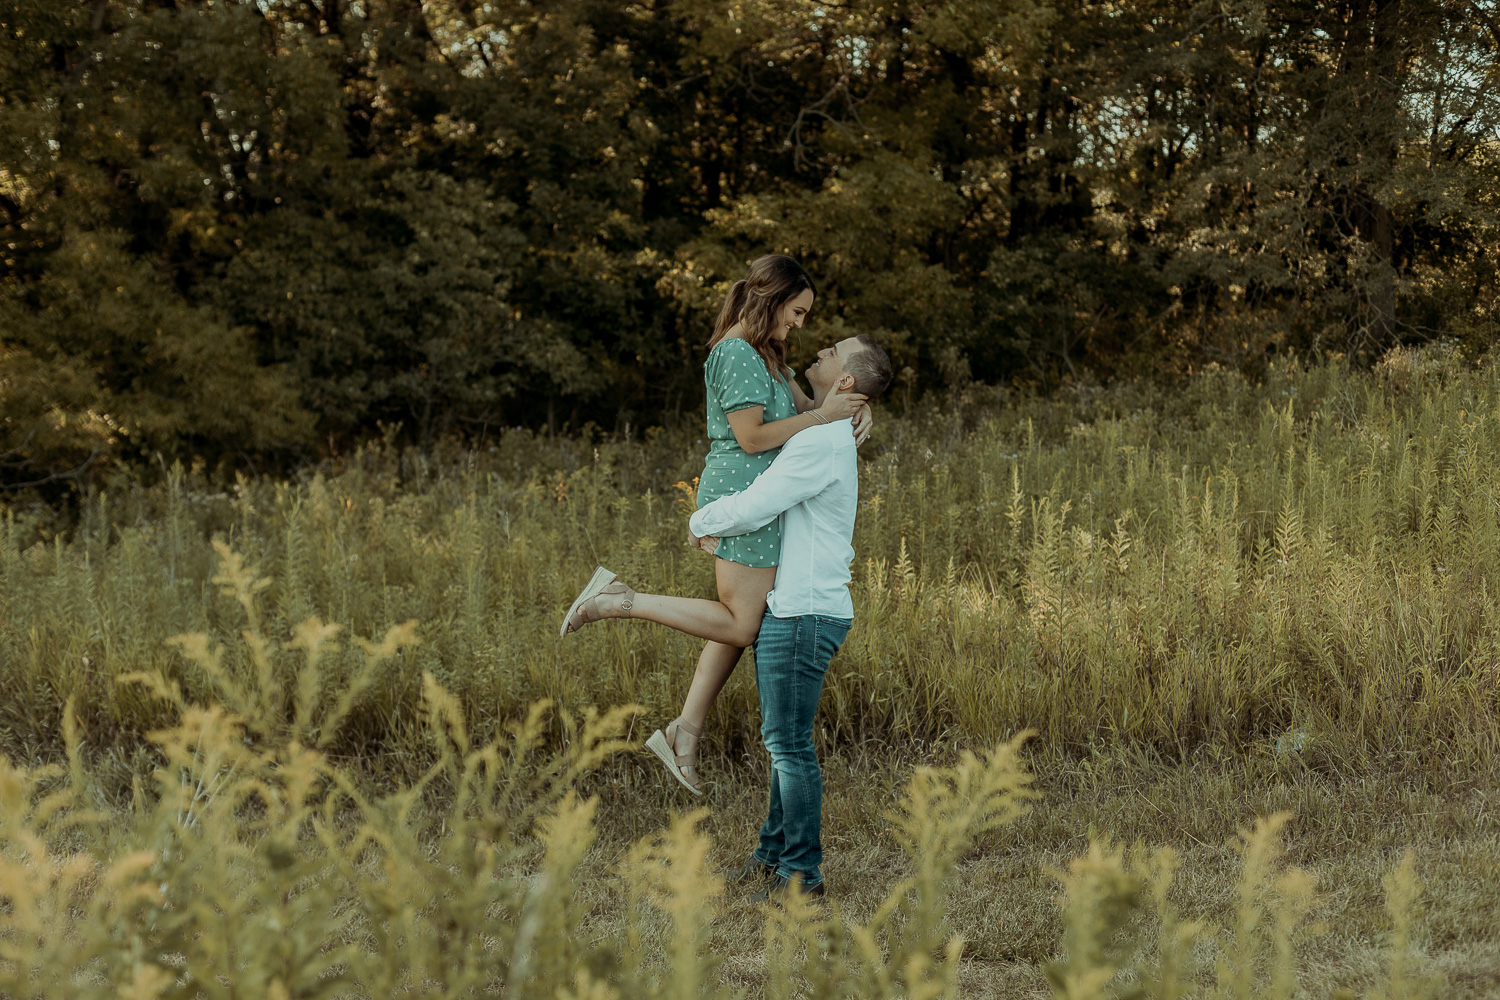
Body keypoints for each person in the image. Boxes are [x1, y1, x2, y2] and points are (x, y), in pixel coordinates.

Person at [559, 254, 870, 796]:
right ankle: (616, 601)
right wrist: (824, 417)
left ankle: (685, 731)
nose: (800, 323)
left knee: (740, 622)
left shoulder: (770, 355)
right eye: (796, 311)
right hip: (742, 493)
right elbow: (752, 437)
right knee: (741, 624)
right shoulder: (735, 352)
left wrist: (857, 407)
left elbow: (809, 405)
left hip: (765, 498)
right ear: (771, 299)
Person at [688, 332, 894, 902]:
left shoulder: (821, 441)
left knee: (789, 746)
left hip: (805, 612)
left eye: (832, 352)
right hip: (796, 607)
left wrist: (702, 520)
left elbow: (760, 502)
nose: (820, 349)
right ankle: (771, 857)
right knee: (783, 741)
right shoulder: (825, 431)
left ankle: (800, 875)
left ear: (845, 381)